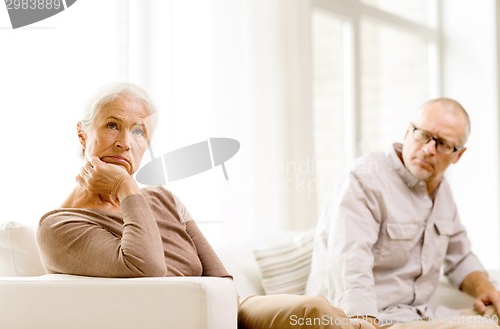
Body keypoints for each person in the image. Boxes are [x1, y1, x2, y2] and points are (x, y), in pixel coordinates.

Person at [36, 82, 373, 329]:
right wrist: (126, 187)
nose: (125, 142)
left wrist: (131, 191)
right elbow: (148, 270)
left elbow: (223, 281)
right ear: (82, 135)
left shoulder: (161, 198)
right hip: (181, 322)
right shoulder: (58, 226)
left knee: (323, 312)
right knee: (315, 313)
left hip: (227, 315)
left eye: (139, 132)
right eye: (112, 125)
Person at [306, 98, 500, 329]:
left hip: (418, 317)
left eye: (443, 144)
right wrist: (363, 323)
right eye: (423, 135)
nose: (429, 150)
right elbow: (350, 263)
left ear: (458, 155)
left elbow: (460, 257)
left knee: (492, 316)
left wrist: (487, 292)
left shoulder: (442, 190)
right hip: (365, 318)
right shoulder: (363, 179)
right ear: (407, 131)